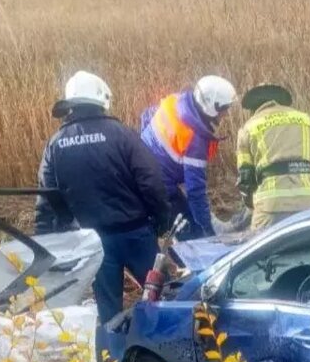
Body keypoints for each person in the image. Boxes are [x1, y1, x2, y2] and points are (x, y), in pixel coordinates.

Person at [35, 70, 170, 323]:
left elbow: (47, 199)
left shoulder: (55, 144)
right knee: (164, 298)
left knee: (110, 313)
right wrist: (162, 218)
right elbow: (151, 180)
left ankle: (115, 348)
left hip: (94, 241)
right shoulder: (122, 134)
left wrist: (50, 239)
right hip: (137, 233)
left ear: (71, 105)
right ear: (102, 100)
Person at [139, 75, 236, 240]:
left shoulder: (176, 101)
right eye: (224, 109)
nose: (225, 114)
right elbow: (195, 191)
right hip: (157, 185)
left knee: (183, 214)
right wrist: (207, 231)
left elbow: (146, 115)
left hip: (141, 166)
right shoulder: (195, 140)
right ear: (212, 107)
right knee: (191, 233)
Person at [235, 84, 310, 230]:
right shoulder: (305, 120)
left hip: (271, 208)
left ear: (253, 108)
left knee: (262, 244)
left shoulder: (248, 128)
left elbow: (246, 179)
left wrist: (253, 205)